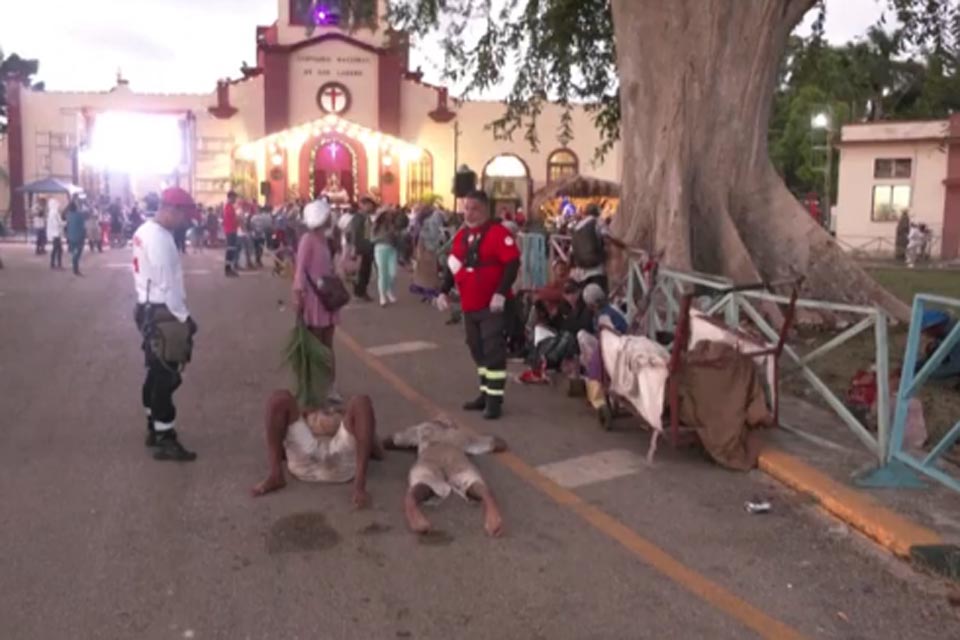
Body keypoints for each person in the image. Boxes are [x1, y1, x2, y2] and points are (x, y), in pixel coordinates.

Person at [436, 190, 521, 420]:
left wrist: (501, 293)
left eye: (474, 208)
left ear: (485, 210)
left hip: (492, 306)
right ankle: (485, 394)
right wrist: (443, 291)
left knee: (493, 351)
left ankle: (494, 402)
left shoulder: (498, 233)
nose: (469, 213)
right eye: (466, 208)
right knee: (477, 350)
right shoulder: (463, 236)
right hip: (469, 305)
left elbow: (512, 263)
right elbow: (453, 265)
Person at [132, 187, 199, 462]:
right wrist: (185, 318)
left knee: (154, 370)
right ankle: (164, 436)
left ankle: (153, 425)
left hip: (147, 307)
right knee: (166, 375)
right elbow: (167, 284)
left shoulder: (145, 231)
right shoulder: (159, 240)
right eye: (184, 215)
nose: (185, 221)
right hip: (163, 312)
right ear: (172, 210)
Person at [250, 390, 381, 506]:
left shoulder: (344, 414)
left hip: (341, 462)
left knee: (361, 401)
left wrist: (345, 415)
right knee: (279, 398)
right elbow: (283, 440)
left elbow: (378, 451)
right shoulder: (305, 413)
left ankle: (359, 487)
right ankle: (275, 475)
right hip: (305, 459)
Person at [383, 417, 506, 537]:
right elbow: (498, 444)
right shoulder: (461, 433)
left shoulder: (423, 429)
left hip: (432, 455)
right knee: (471, 478)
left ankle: (411, 504)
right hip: (452, 457)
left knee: (422, 479)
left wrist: (410, 444)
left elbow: (391, 441)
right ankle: (490, 504)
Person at [294, 199, 342, 395]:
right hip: (314, 300)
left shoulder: (324, 239)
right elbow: (300, 271)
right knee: (318, 345)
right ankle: (317, 385)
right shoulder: (308, 240)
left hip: (326, 299)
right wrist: (298, 296)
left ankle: (329, 385)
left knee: (327, 345)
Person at [371, 206, 404, 306]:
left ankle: (388, 289)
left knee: (393, 273)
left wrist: (396, 235)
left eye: (390, 214)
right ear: (382, 215)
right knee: (382, 273)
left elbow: (399, 234)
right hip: (380, 249)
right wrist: (383, 237)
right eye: (387, 214)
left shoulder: (393, 225)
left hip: (392, 249)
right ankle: (382, 296)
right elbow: (371, 238)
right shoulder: (376, 225)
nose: (389, 216)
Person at [570, 203, 607, 291]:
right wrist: (624, 246)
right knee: (599, 296)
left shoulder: (576, 228)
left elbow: (571, 251)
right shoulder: (597, 221)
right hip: (596, 268)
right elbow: (607, 236)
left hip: (581, 270)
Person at [916, 310, 960, 381]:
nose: (924, 333)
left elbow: (955, 366)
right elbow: (937, 356)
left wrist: (922, 373)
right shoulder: (945, 331)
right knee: (933, 348)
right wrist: (914, 367)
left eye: (925, 330)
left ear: (935, 327)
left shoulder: (955, 334)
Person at [348, 196, 377, 301]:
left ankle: (361, 291)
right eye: (368, 205)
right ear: (363, 205)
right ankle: (360, 291)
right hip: (361, 247)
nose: (370, 207)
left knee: (366, 271)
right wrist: (354, 248)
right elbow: (354, 233)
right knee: (362, 271)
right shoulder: (358, 217)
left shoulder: (366, 217)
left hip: (368, 246)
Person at [65, 200, 86, 276]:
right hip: (78, 237)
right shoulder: (79, 215)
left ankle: (75, 266)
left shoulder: (68, 215)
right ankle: (75, 269)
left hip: (71, 236)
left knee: (74, 252)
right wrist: (84, 236)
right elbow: (83, 227)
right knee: (77, 253)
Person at [223, 191, 240, 277]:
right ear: (230, 197)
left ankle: (230, 268)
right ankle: (228, 269)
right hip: (230, 230)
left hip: (232, 230)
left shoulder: (230, 207)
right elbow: (232, 219)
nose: (235, 199)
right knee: (230, 249)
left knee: (232, 249)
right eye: (234, 198)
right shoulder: (228, 207)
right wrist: (238, 220)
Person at [46, 197, 64, 270]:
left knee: (56, 249)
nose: (58, 205)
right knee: (58, 250)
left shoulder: (52, 212)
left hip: (55, 233)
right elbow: (57, 223)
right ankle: (57, 264)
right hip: (56, 233)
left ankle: (54, 264)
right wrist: (64, 223)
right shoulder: (54, 213)